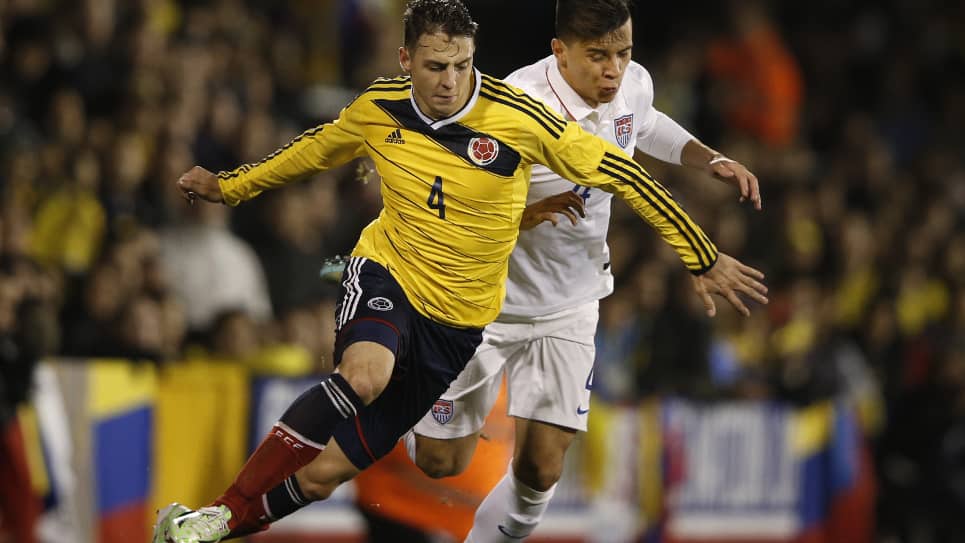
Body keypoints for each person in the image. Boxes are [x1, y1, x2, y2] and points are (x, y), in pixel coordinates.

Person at [153, 1, 767, 542]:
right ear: (405, 61)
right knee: (364, 376)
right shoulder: (404, 106)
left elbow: (632, 159)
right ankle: (220, 513)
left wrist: (701, 244)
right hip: (402, 276)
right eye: (434, 67)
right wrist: (229, 187)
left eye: (461, 66)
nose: (450, 83)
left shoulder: (529, 115)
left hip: (487, 314)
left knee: (358, 475)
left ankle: (205, 530)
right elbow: (313, 151)